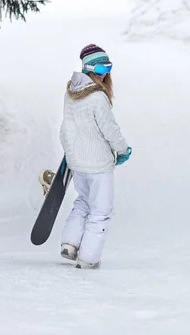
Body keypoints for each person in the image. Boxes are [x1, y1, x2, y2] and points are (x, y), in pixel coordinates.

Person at [39, 44, 132, 269]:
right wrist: (122, 150)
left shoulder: (70, 95)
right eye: (101, 68)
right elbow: (109, 129)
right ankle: (89, 258)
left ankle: (70, 243)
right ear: (89, 68)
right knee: (101, 211)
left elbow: (70, 128)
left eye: (109, 67)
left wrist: (72, 152)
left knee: (83, 202)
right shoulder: (97, 98)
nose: (106, 73)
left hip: (78, 163)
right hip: (98, 164)